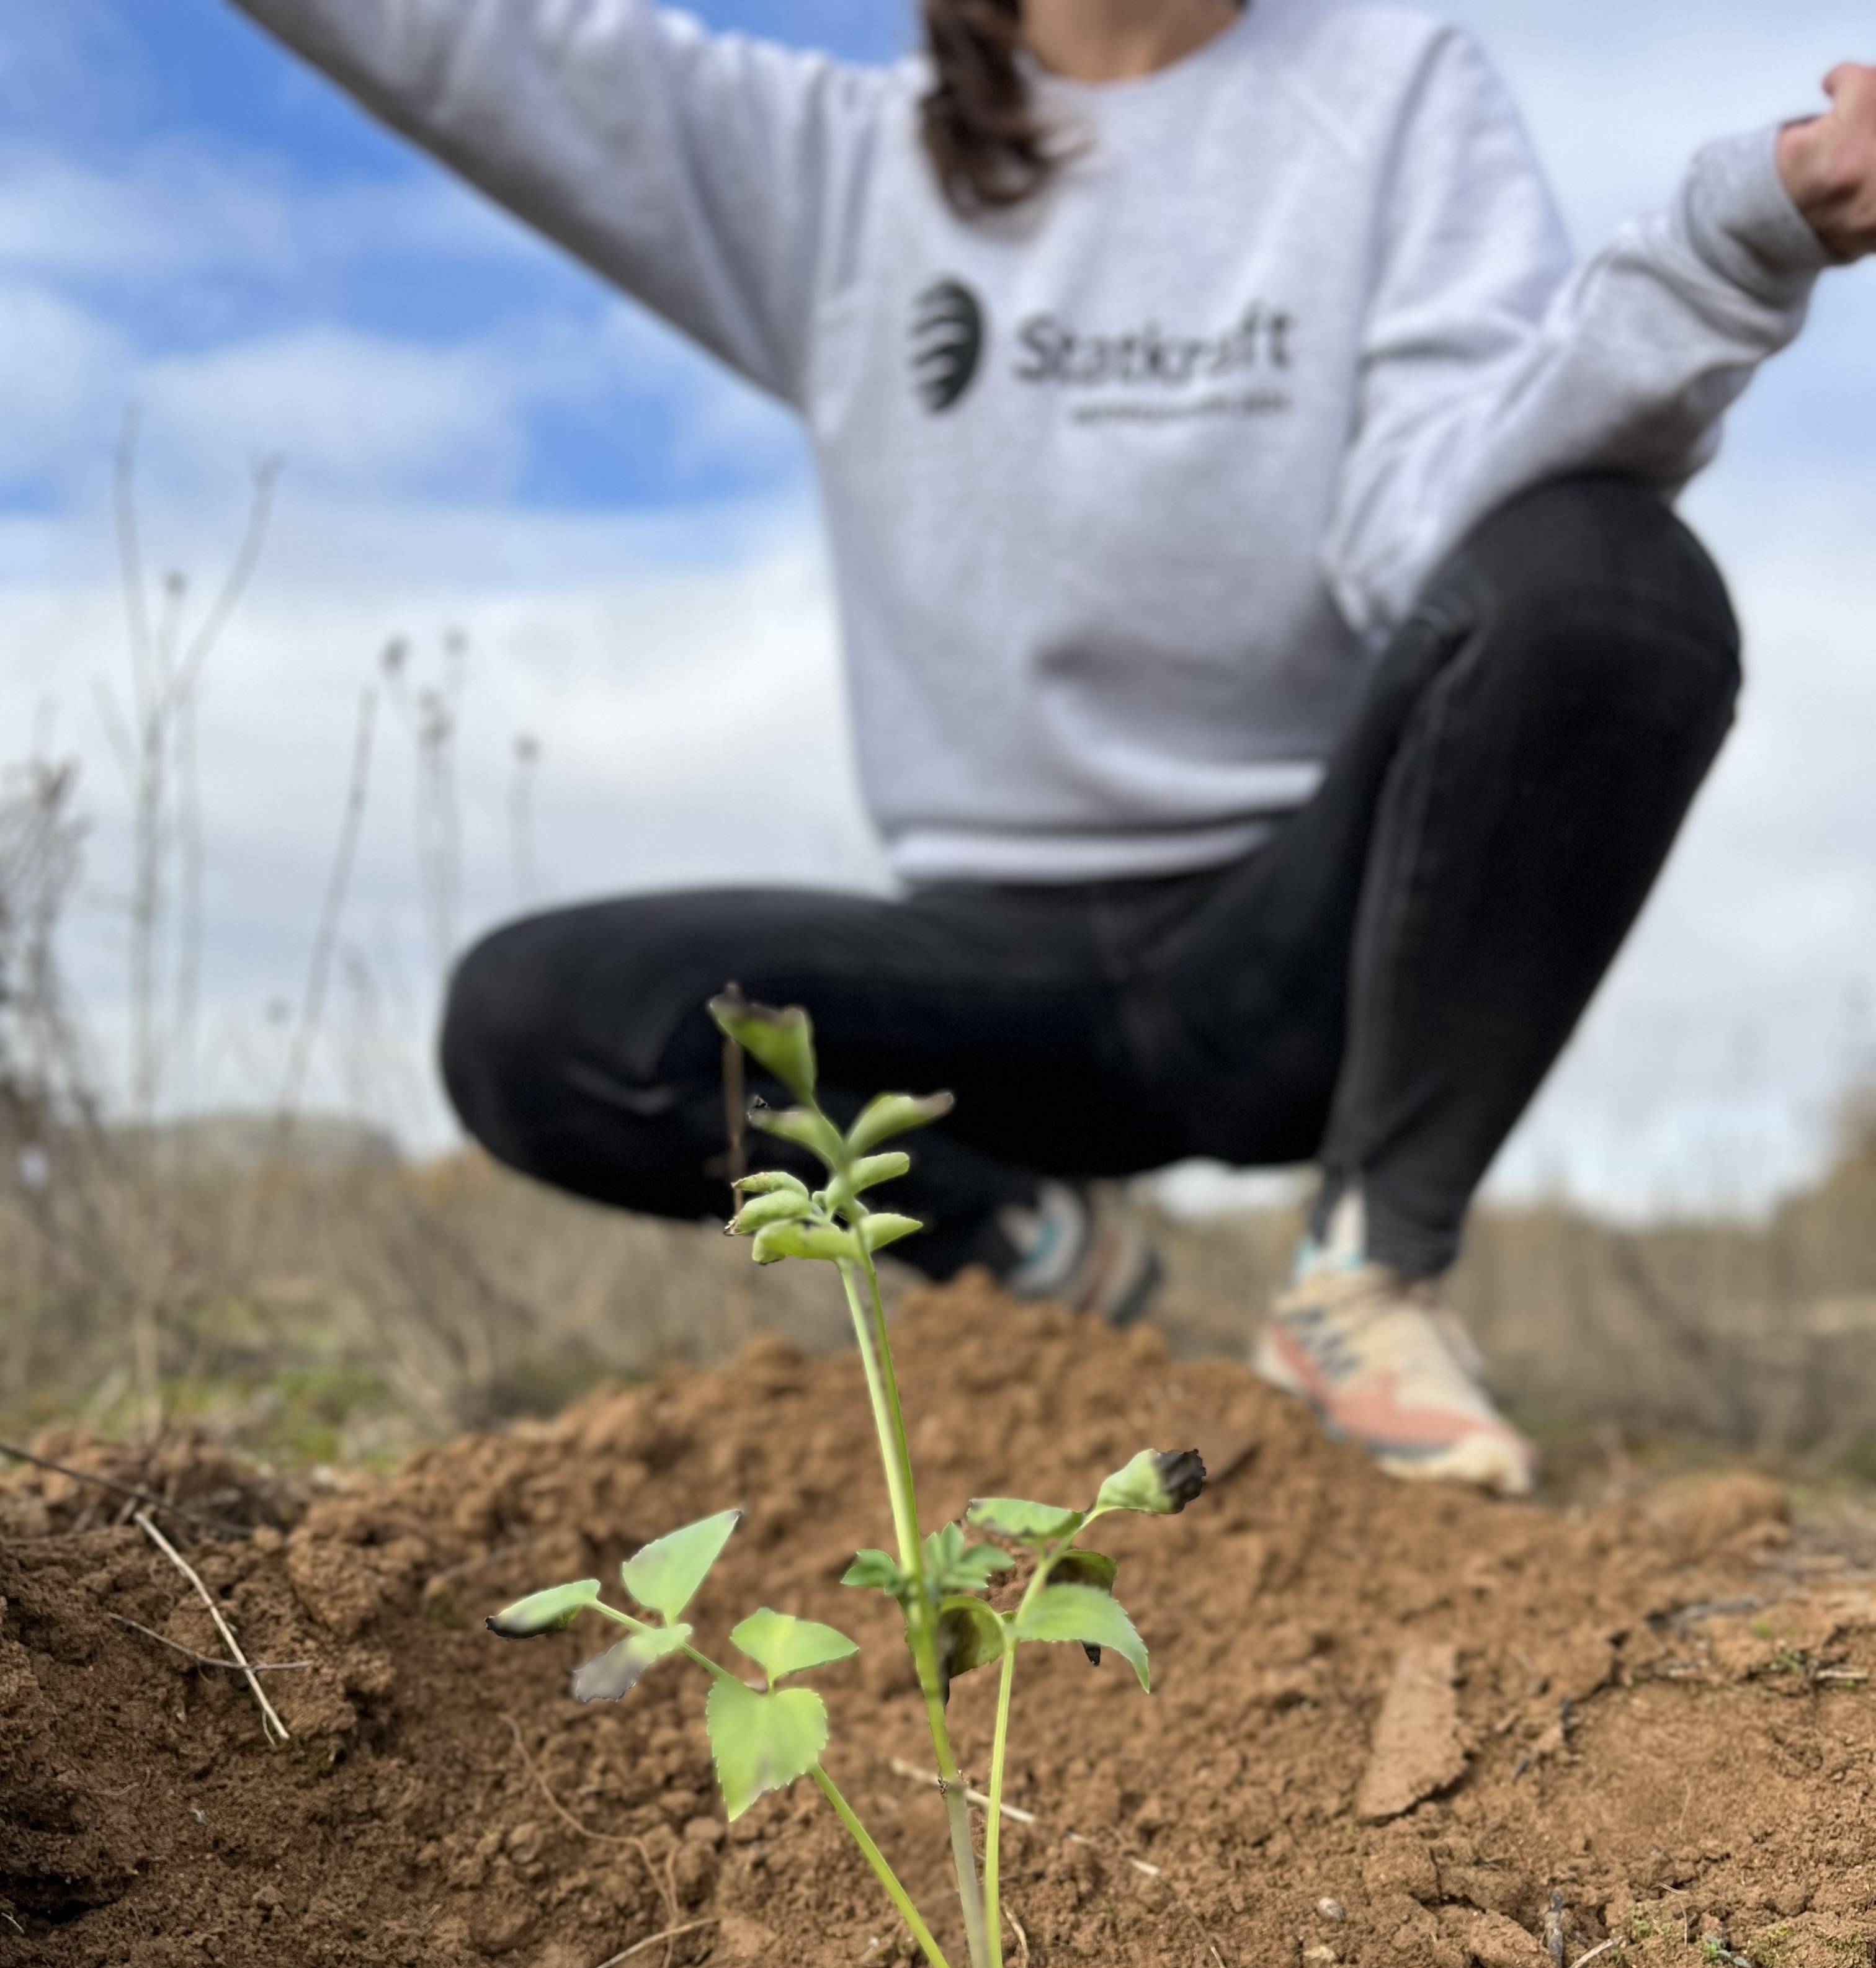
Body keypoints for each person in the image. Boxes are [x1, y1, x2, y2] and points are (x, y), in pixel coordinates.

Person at [233, 0, 1876, 1494]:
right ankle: (1031, 1256)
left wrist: (1735, 246)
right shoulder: (828, 168)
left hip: (1300, 948)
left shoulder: (1387, 89)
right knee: (538, 1020)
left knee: (1605, 576)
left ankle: (1370, 1276)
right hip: (983, 995)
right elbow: (463, 40)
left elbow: (1424, 538)